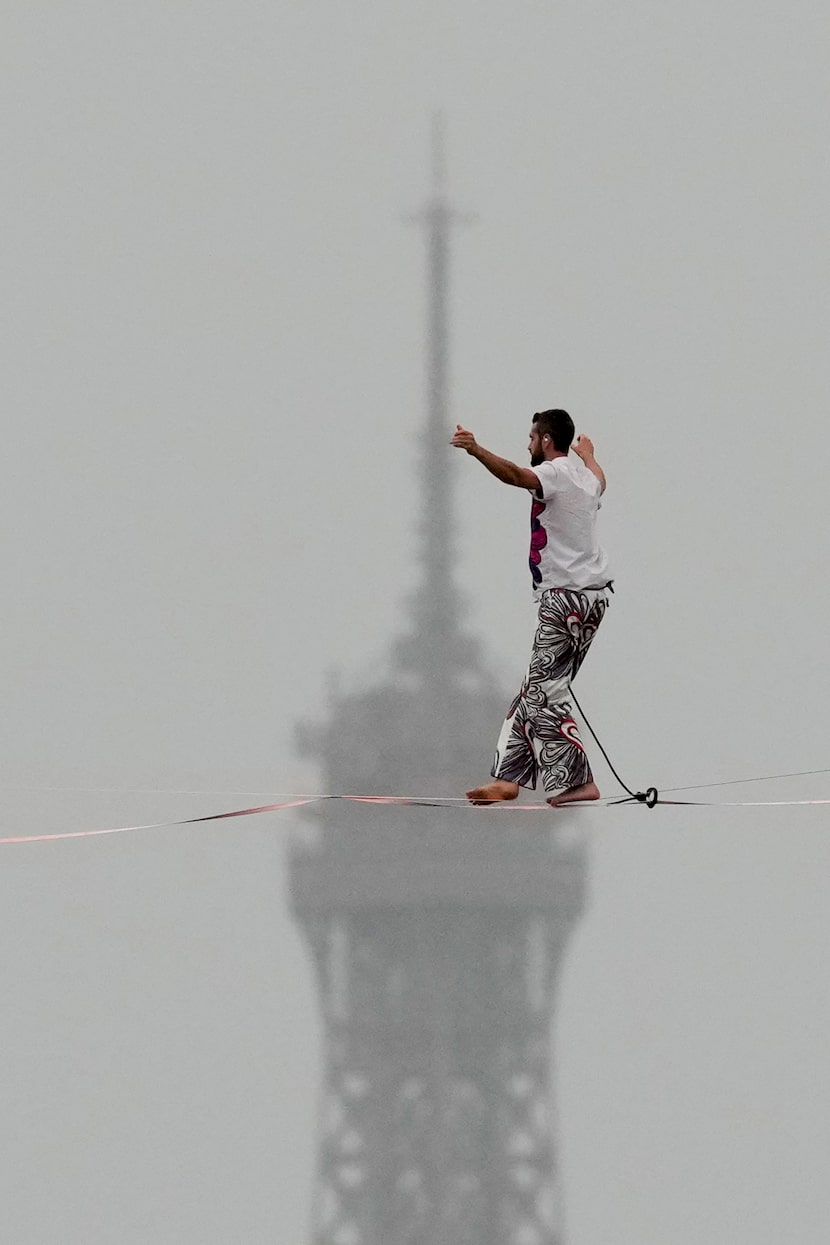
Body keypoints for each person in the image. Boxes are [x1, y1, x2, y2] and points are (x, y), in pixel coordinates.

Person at [450, 409, 612, 806]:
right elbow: (601, 481)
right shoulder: (583, 476)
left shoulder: (555, 473)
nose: (528, 445)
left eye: (531, 437)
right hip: (593, 600)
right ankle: (508, 777)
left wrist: (476, 451)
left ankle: (577, 779)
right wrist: (588, 454)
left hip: (565, 600)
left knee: (545, 694)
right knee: (534, 690)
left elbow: (515, 476)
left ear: (545, 440)